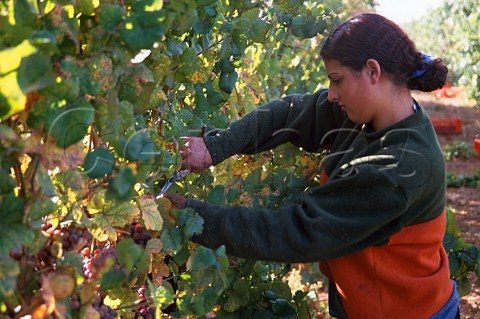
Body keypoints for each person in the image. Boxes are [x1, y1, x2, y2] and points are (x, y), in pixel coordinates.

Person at [164, 13, 459, 319]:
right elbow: (287, 114)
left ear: (373, 71)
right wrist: (216, 146)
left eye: (337, 80)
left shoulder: (401, 167)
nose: (331, 94)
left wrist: (186, 217)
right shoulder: (364, 114)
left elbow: (299, 231)